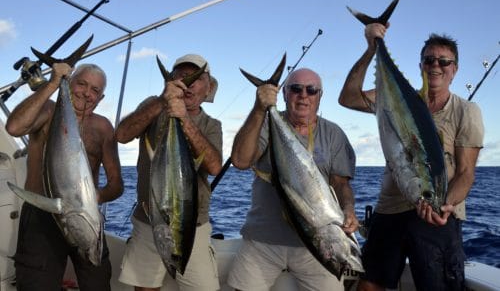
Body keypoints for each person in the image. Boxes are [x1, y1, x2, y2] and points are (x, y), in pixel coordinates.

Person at [338, 23, 484, 291]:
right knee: (369, 284)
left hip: (437, 210)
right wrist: (372, 49)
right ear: (420, 66)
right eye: (429, 60)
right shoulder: (391, 96)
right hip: (390, 208)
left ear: (455, 69)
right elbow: (347, 98)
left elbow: (466, 173)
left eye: (444, 61)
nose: (436, 66)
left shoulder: (466, 111)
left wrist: (446, 204)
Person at [227, 68, 359, 291]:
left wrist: (348, 208)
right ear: (285, 94)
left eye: (311, 90)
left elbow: (341, 184)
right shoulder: (265, 125)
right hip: (263, 240)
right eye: (295, 89)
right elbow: (239, 161)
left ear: (320, 96)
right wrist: (260, 109)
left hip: (314, 249)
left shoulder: (333, 134)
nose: (303, 95)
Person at [5, 62, 124, 291]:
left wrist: (91, 200)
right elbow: (14, 127)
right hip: (43, 214)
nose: (87, 94)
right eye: (81, 84)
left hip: (85, 217)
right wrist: (53, 83)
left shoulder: (102, 127)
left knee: (98, 283)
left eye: (95, 91)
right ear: (70, 84)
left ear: (101, 98)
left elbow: (117, 184)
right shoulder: (48, 111)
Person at [116, 53, 222, 291]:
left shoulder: (212, 125)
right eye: (181, 76)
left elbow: (214, 167)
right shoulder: (152, 106)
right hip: (147, 220)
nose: (188, 82)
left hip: (192, 226)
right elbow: (122, 135)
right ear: (170, 81)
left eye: (195, 77)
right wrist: (163, 102)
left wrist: (182, 117)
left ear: (208, 88)